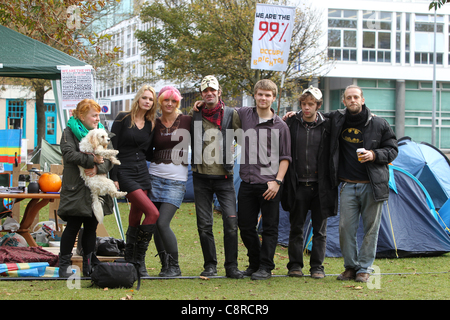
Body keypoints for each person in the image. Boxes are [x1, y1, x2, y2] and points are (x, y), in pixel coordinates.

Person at [329, 85, 398, 283]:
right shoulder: (337, 119)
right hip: (348, 185)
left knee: (371, 229)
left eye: (356, 97)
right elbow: (315, 113)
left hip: (372, 185)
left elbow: (393, 149)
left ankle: (364, 268)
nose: (352, 100)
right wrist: (294, 113)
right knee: (345, 229)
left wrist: (374, 155)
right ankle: (350, 267)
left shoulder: (379, 123)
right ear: (343, 101)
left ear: (362, 99)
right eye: (348, 97)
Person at [236, 79, 291, 280]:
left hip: (269, 185)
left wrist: (277, 181)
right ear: (254, 95)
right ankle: (254, 263)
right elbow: (221, 109)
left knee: (269, 227)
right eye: (260, 94)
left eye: (268, 95)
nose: (263, 98)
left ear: (274, 98)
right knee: (245, 226)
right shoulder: (244, 115)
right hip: (247, 182)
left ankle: (266, 267)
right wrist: (199, 104)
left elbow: (285, 157)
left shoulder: (281, 126)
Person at [281, 86, 337, 279]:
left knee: (320, 230)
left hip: (320, 186)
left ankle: (317, 267)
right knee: (296, 227)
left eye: (311, 104)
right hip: (298, 185)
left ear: (318, 106)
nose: (306, 108)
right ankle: (295, 265)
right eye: (304, 104)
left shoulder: (328, 125)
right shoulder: (291, 123)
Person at [190, 75, 243, 279]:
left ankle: (232, 266)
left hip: (224, 177)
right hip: (200, 177)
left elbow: (243, 137)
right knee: (204, 225)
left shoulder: (231, 114)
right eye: (205, 91)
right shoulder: (195, 114)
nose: (209, 93)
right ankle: (210, 265)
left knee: (231, 222)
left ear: (219, 92)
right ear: (202, 94)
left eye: (212, 90)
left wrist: (234, 148)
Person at [58, 99, 116, 278]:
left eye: (98, 115)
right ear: (82, 116)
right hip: (76, 187)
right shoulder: (69, 132)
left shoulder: (101, 132)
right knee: (73, 226)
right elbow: (69, 154)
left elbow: (109, 157)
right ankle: (64, 266)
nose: (97, 119)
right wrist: (91, 160)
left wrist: (98, 168)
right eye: (94, 115)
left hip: (94, 188)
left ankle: (88, 265)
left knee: (91, 227)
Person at [110, 85, 160, 277]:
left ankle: (131, 257)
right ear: (138, 98)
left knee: (136, 214)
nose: (147, 102)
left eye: (151, 99)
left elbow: (148, 152)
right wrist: (113, 177)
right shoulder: (123, 118)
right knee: (153, 213)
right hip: (124, 171)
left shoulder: (151, 123)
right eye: (145, 98)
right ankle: (139, 259)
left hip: (142, 172)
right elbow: (112, 148)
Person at [148, 86, 191, 277]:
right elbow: (147, 148)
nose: (170, 104)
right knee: (156, 223)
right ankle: (165, 266)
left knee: (163, 222)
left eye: (174, 101)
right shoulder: (153, 123)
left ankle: (175, 265)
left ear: (178, 103)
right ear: (160, 101)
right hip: (155, 177)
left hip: (176, 180)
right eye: (166, 100)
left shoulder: (187, 120)